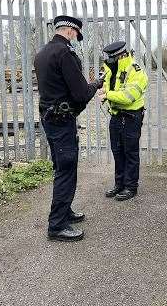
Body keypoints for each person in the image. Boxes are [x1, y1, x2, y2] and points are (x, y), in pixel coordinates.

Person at [34, 15, 104, 242]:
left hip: (50, 119)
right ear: (72, 31)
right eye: (76, 35)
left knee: (61, 166)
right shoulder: (65, 53)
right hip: (62, 122)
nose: (76, 39)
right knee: (66, 171)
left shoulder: (42, 53)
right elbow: (81, 93)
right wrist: (97, 83)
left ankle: (65, 211)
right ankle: (57, 225)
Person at [98, 41, 148, 201]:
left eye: (112, 57)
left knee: (130, 153)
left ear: (121, 56)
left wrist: (107, 95)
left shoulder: (135, 70)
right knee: (117, 152)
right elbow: (108, 87)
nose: (109, 60)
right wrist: (104, 92)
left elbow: (129, 97)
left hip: (131, 117)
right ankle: (119, 184)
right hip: (116, 116)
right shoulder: (111, 69)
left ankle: (131, 187)